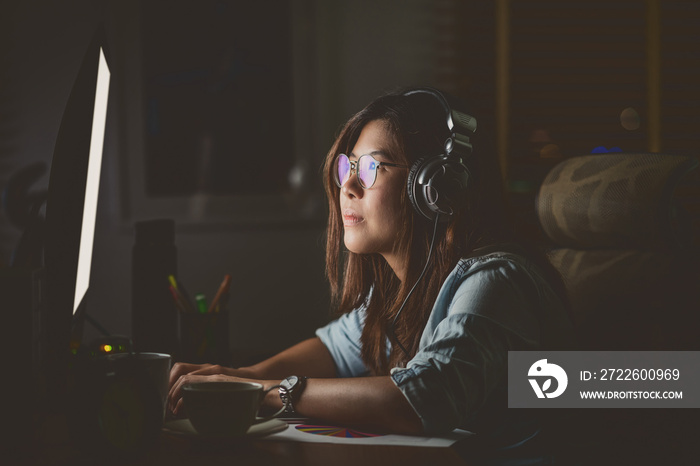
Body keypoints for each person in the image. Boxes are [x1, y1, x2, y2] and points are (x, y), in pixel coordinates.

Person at [168, 87, 574, 443]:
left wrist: (270, 391)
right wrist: (240, 376)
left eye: (371, 167)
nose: (347, 185)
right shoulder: (400, 290)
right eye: (348, 166)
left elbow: (423, 398)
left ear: (435, 188)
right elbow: (333, 349)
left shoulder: (497, 281)